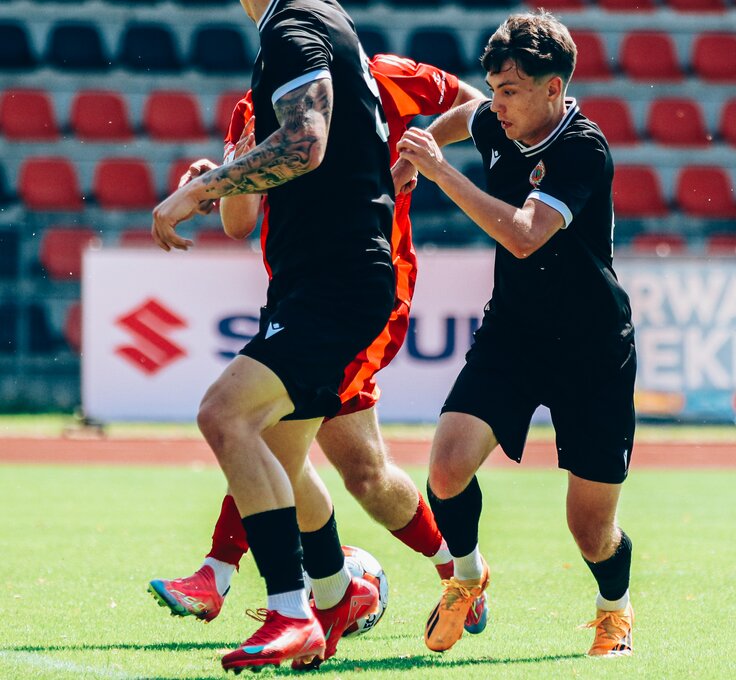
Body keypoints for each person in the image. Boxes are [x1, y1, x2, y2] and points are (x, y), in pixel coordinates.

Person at [148, 55, 488, 642]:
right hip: (299, 297)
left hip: (364, 298)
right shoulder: (253, 107)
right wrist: (225, 175)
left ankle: (227, 574)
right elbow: (238, 223)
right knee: (366, 473)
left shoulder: (382, 76)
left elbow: (477, 106)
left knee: (261, 426)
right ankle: (458, 573)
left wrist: (417, 152)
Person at [151, 0, 397, 672]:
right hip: (320, 275)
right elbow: (269, 190)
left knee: (225, 415)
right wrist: (228, 179)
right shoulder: (317, 20)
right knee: (283, 456)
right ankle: (335, 594)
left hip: (335, 277)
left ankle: (292, 613)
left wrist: (195, 192)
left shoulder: (292, 30)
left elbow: (304, 144)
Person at [394, 11, 637, 658]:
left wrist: (440, 172)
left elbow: (526, 237)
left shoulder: (582, 148)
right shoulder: (495, 119)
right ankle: (467, 577)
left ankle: (614, 609)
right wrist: (420, 152)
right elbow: (464, 117)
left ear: (554, 89)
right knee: (446, 469)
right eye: (494, 89)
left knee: (591, 532)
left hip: (592, 348)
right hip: (515, 334)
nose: (496, 105)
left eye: (510, 91)